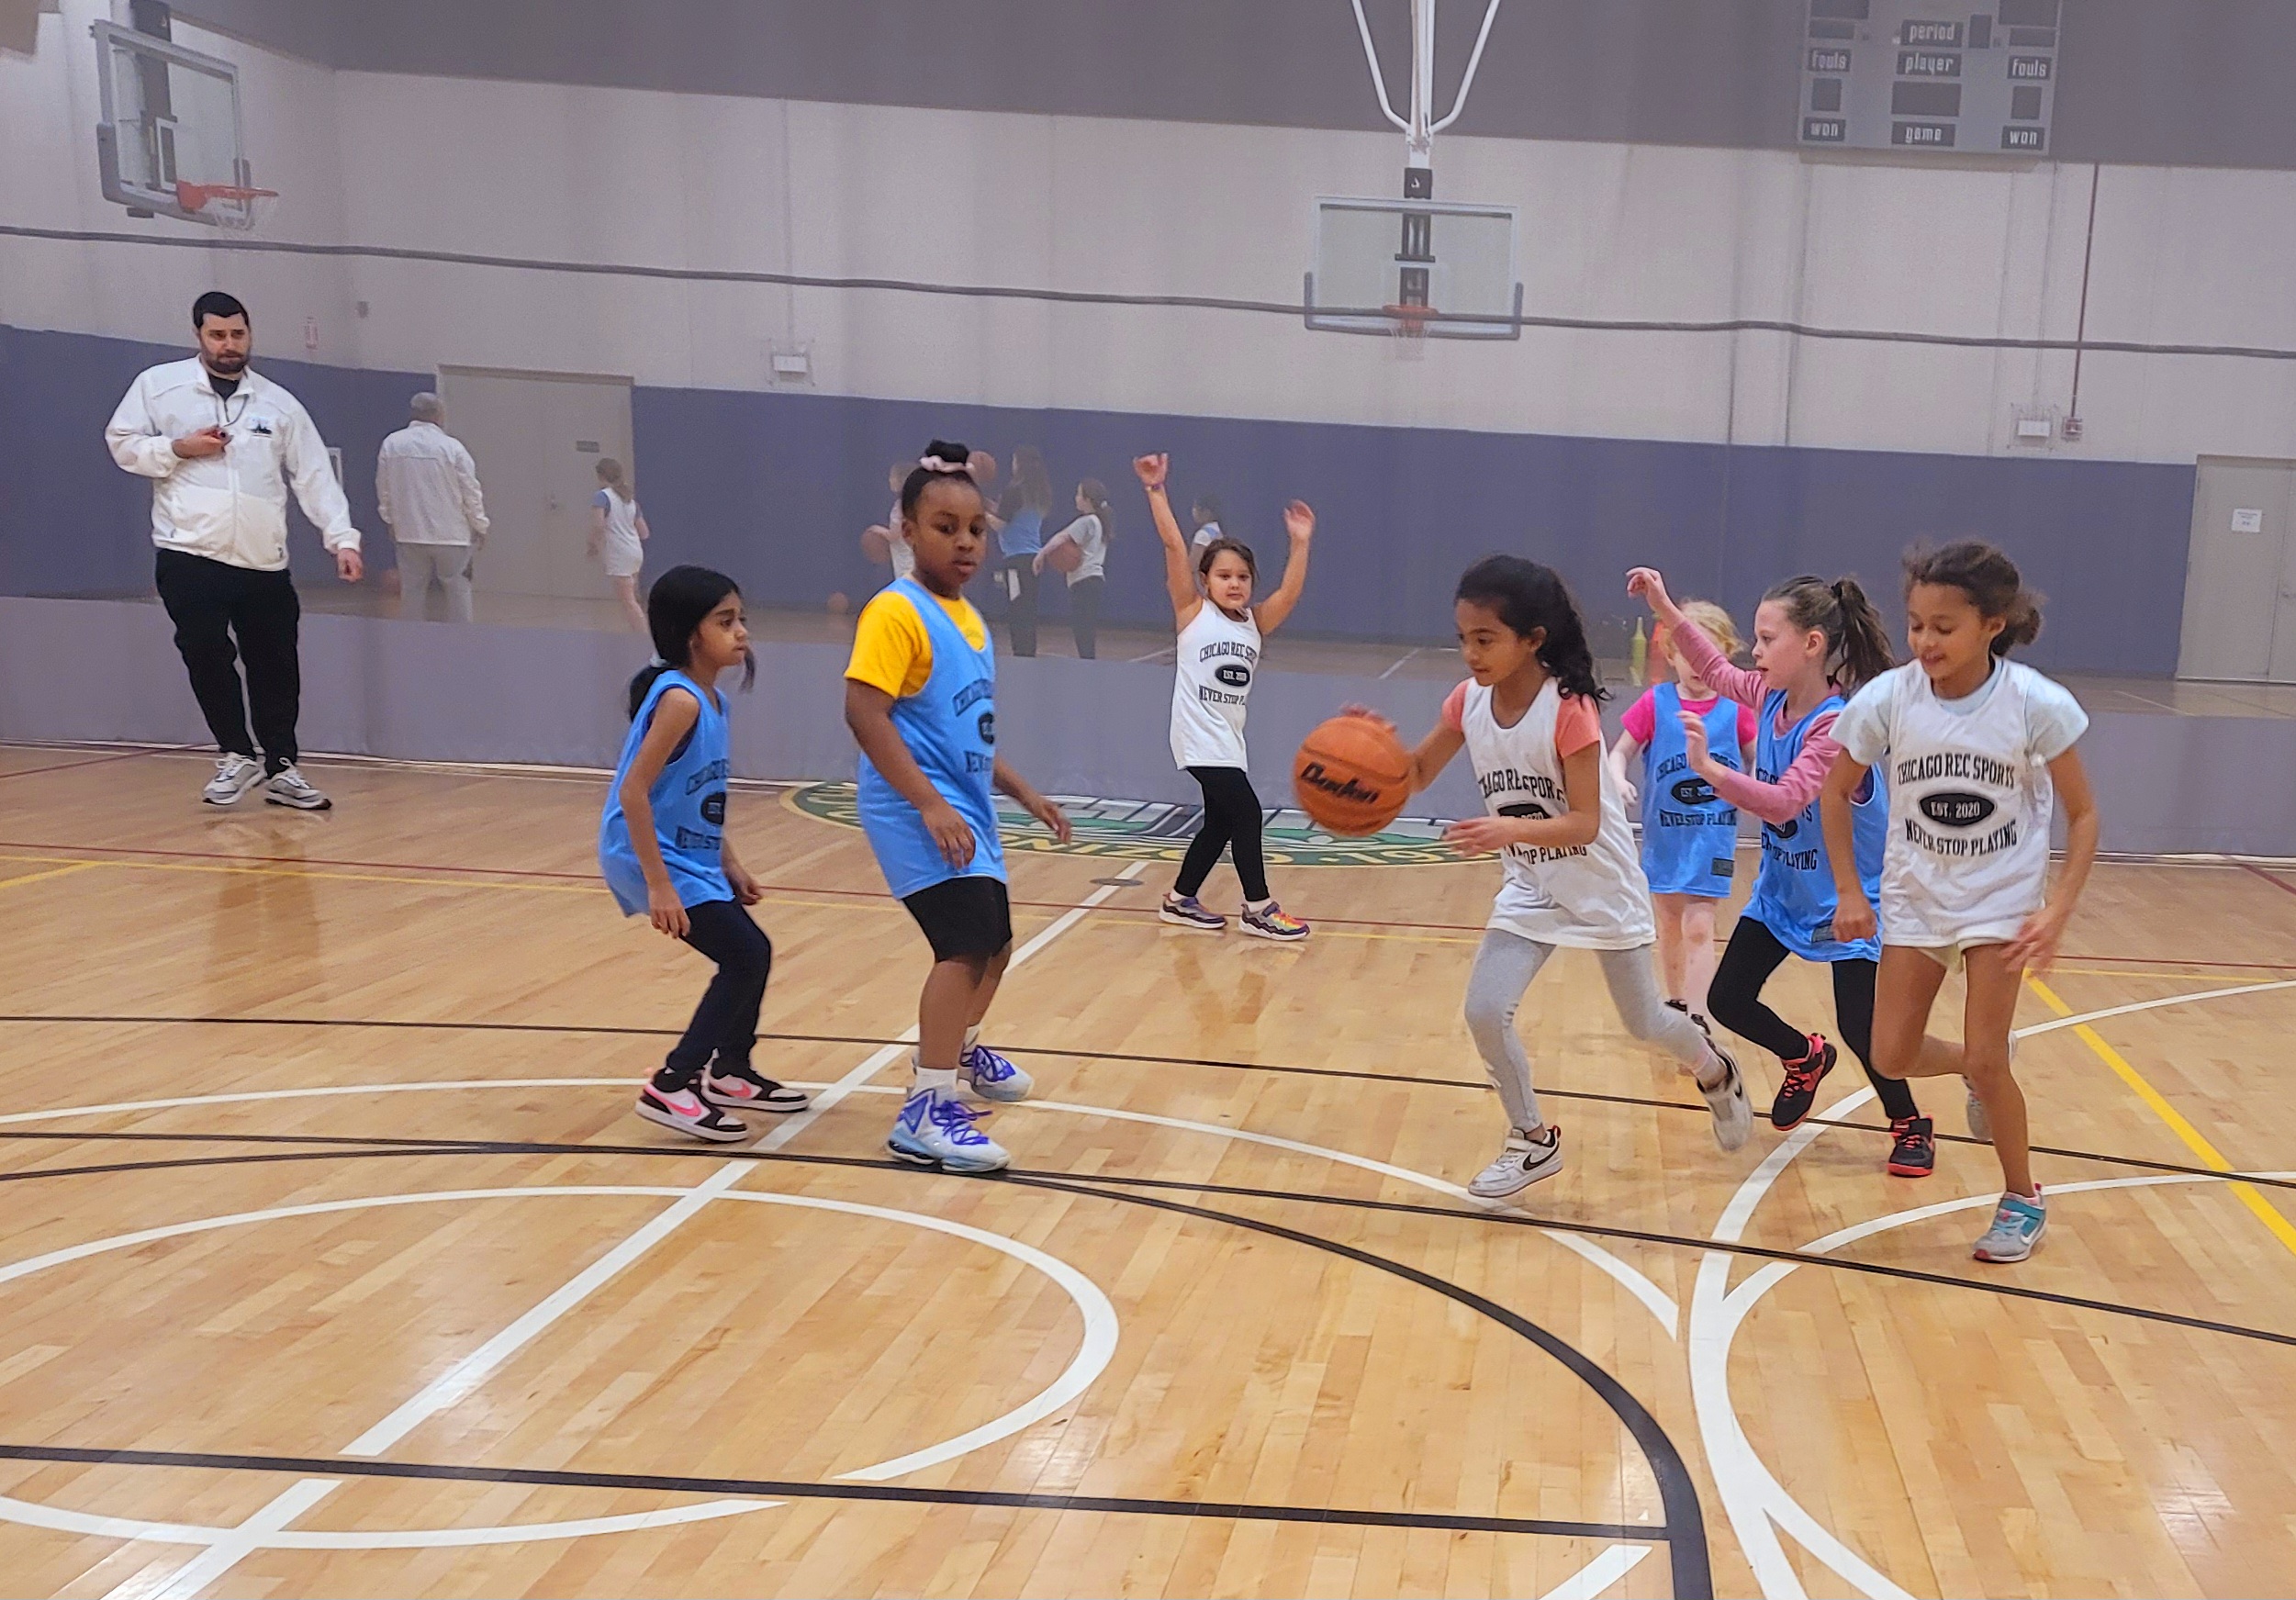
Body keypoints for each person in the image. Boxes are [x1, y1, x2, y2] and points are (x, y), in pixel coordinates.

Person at [1345, 556, 1753, 1198]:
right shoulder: (1466, 701)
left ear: (1531, 639)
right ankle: (1531, 1139)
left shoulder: (1568, 710)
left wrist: (1506, 830)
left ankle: (1712, 1067)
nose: (1470, 653)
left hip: (1598, 882)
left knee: (1643, 1020)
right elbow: (1414, 774)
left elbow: (1586, 822)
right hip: (1532, 882)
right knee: (1484, 1009)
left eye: (1485, 639)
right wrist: (1372, 752)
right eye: (1463, 639)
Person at [1823, 542, 2097, 1261]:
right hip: (1916, 895)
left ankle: (2021, 1196)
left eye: (1943, 627)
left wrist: (2056, 908)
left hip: (2000, 898)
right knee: (1890, 1051)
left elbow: (2085, 815)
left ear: (1992, 624)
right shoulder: (1888, 698)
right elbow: (1832, 789)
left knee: (1985, 1054)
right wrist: (1850, 888)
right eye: (1916, 624)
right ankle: (1981, 1060)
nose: (1924, 641)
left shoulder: (2034, 703)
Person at [1628, 568, 1934, 1178]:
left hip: (1849, 895)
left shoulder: (1836, 724)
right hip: (1784, 889)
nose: (1756, 651)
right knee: (1726, 998)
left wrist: (1707, 770)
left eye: (1768, 639)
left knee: (1861, 1026)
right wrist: (1664, 603)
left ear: (1812, 644)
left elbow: (1786, 800)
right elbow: (1714, 669)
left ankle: (1908, 1122)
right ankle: (1802, 1056)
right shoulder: (1769, 696)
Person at [844, 440, 1073, 1174]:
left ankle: (962, 1052)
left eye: (975, 528)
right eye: (945, 526)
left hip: (966, 803)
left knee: (997, 943)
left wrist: (1024, 791)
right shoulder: (895, 611)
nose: (965, 541)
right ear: (907, 531)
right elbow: (864, 713)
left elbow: (965, 732)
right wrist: (929, 805)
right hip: (915, 808)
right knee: (964, 946)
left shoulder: (968, 618)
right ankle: (926, 1107)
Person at [105, 290, 363, 811]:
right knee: (205, 652)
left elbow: (313, 475)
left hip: (263, 561)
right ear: (198, 335)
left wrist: (342, 539)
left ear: (249, 334)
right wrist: (177, 448)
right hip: (188, 553)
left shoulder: (278, 403)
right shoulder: (159, 387)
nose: (228, 345)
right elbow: (123, 442)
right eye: (217, 335)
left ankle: (283, 767)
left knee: (275, 665)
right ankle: (236, 754)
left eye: (237, 334)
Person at [601, 565, 810, 1141]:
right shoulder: (679, 701)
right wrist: (660, 884)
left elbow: (699, 801)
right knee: (745, 956)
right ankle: (671, 1085)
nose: (741, 631)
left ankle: (732, 1072)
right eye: (726, 621)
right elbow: (633, 792)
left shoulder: (712, 701)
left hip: (688, 855)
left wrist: (730, 861)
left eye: (741, 619)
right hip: (644, 854)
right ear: (692, 634)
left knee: (751, 954)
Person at [1137, 453, 1314, 941]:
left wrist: (1299, 543)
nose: (1234, 583)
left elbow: (1291, 595)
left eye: (1242, 577)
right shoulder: (1192, 613)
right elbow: (1175, 546)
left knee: (1219, 821)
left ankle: (1179, 900)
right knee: (1247, 813)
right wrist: (1156, 490)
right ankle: (1258, 907)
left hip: (1229, 739)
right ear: (1206, 580)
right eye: (1223, 576)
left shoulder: (1255, 623)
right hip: (1197, 736)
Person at [1607, 599, 1756, 1032]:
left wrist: (1759, 793)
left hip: (1713, 840)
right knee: (1670, 925)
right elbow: (1619, 751)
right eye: (1686, 653)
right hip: (1664, 837)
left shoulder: (1736, 710)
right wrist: (1617, 778)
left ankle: (1699, 1017)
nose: (1695, 665)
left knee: (1698, 926)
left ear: (1725, 654)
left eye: (1705, 653)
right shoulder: (1656, 703)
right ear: (1670, 654)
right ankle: (1675, 1004)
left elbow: (1758, 763)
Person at [375, 391, 488, 624]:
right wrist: (480, 524)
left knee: (412, 593)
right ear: (438, 415)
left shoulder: (391, 444)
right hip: (453, 536)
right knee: (459, 593)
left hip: (409, 533)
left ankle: (412, 644)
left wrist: (390, 521)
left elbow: (383, 488)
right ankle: (461, 642)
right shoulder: (452, 448)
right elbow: (470, 490)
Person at [1034, 477, 1114, 658]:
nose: (1076, 498)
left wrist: (1042, 554)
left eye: (1079, 494)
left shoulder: (1087, 521)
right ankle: (1089, 662)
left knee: (1082, 629)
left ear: (1088, 499)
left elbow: (1062, 537)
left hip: (1084, 580)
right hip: (1094, 580)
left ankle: (1088, 665)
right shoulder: (1100, 521)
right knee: (1086, 628)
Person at [993, 445, 1053, 656]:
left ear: (1019, 464)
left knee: (1017, 610)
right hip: (1034, 558)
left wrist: (977, 512)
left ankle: (1021, 655)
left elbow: (1000, 523)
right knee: (1028, 610)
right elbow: (1016, 518)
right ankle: (1028, 653)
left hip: (1016, 559)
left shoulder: (1014, 490)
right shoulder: (1039, 493)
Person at [590, 458, 650, 633]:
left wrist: (592, 543)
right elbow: (644, 532)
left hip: (619, 553)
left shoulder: (602, 496)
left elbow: (598, 525)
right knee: (633, 598)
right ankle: (638, 631)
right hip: (635, 551)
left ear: (601, 475)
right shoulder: (629, 500)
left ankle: (643, 637)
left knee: (628, 601)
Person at [862, 460, 916, 584]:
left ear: (902, 480)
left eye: (892, 477)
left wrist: (877, 529)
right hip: (911, 558)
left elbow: (895, 535)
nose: (890, 480)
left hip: (906, 561)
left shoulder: (901, 507)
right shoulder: (913, 504)